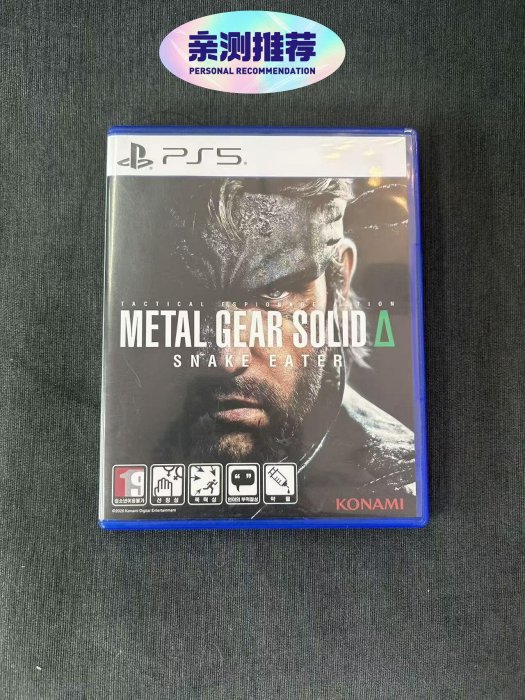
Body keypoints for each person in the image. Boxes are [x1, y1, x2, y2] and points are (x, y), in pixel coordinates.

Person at [160, 177, 416, 517]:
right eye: (194, 295)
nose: (227, 358)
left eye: (275, 292)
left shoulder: (395, 483)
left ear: (340, 276)